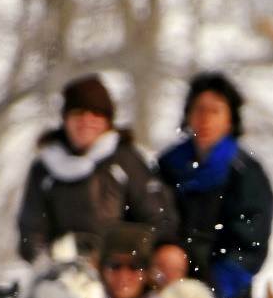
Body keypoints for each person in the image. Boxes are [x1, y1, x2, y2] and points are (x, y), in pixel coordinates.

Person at [17, 74, 177, 263]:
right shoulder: (44, 169)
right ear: (66, 119)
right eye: (78, 113)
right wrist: (50, 259)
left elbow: (158, 220)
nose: (86, 120)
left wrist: (122, 255)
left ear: (107, 121)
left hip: (121, 269)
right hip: (61, 269)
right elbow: (32, 232)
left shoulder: (126, 161)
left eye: (95, 114)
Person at [155, 72, 273, 298]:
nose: (205, 119)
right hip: (165, 287)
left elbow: (250, 245)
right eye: (199, 109)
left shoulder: (246, 174)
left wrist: (210, 286)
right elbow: (152, 218)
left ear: (230, 120)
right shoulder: (168, 165)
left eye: (215, 111)